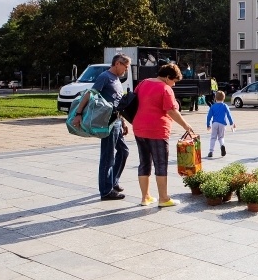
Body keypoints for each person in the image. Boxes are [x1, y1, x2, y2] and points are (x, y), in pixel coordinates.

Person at [133, 63, 195, 207]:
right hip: (157, 130)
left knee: (144, 163)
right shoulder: (165, 88)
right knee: (161, 164)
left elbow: (136, 100)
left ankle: (145, 197)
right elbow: (171, 111)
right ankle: (163, 198)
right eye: (173, 81)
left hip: (139, 128)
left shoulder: (143, 83)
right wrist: (186, 125)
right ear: (168, 77)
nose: (173, 85)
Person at [72, 54, 131, 201]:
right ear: (117, 63)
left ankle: (114, 181)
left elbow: (117, 101)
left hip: (116, 120)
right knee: (108, 156)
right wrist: (78, 114)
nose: (126, 70)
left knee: (124, 151)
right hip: (107, 122)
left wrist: (122, 121)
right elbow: (90, 94)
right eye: (126, 66)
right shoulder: (105, 77)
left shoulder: (116, 78)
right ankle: (106, 191)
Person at [206, 90, 235, 158]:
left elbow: (209, 116)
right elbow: (229, 115)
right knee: (221, 137)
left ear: (215, 98)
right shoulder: (225, 106)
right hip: (222, 124)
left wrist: (208, 125)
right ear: (224, 98)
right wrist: (231, 123)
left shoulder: (213, 106)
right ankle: (222, 145)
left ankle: (211, 151)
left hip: (215, 123)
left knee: (213, 137)